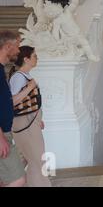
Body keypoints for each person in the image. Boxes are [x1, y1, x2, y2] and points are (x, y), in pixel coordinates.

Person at [9, 46, 51, 187]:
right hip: (25, 125)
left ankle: (10, 181)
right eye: (34, 56)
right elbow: (13, 101)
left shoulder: (23, 76)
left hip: (29, 123)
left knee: (26, 158)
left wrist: (38, 118)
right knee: (38, 160)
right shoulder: (18, 77)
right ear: (26, 59)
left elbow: (29, 103)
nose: (36, 58)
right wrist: (30, 87)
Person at [0, 30, 26, 187]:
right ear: (8, 46)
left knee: (6, 179)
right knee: (17, 179)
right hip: (2, 135)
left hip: (5, 132)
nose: (19, 50)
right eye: (17, 45)